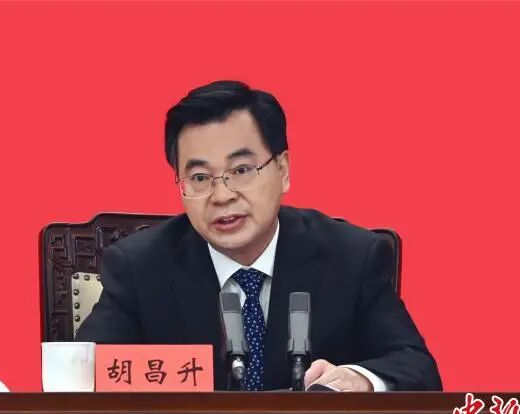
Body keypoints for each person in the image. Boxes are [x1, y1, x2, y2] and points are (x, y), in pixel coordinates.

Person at [76, 80, 442, 391]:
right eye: (200, 178)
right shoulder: (140, 267)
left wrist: (358, 379)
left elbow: (417, 368)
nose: (222, 195)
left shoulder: (352, 257)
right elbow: (83, 378)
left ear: (282, 170)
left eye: (241, 170)